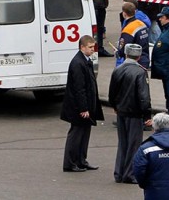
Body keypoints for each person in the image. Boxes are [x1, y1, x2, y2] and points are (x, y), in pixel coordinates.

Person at [109, 44, 153, 184]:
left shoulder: (118, 70)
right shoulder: (140, 72)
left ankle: (119, 172)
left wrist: (115, 106)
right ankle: (130, 173)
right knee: (134, 144)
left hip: (121, 112)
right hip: (135, 113)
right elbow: (143, 97)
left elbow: (112, 92)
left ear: (126, 54)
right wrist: (147, 115)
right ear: (139, 56)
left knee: (123, 143)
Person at [61, 35, 104, 172]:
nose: (93, 50)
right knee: (76, 134)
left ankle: (81, 160)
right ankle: (70, 163)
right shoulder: (78, 63)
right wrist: (83, 108)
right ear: (82, 47)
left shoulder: (85, 60)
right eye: (90, 47)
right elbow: (79, 89)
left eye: (94, 47)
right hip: (78, 108)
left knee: (84, 134)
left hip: (86, 106)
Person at [115, 2, 150, 69]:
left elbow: (123, 50)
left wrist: (118, 51)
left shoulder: (128, 29)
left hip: (133, 64)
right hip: (144, 59)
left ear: (124, 13)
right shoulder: (142, 24)